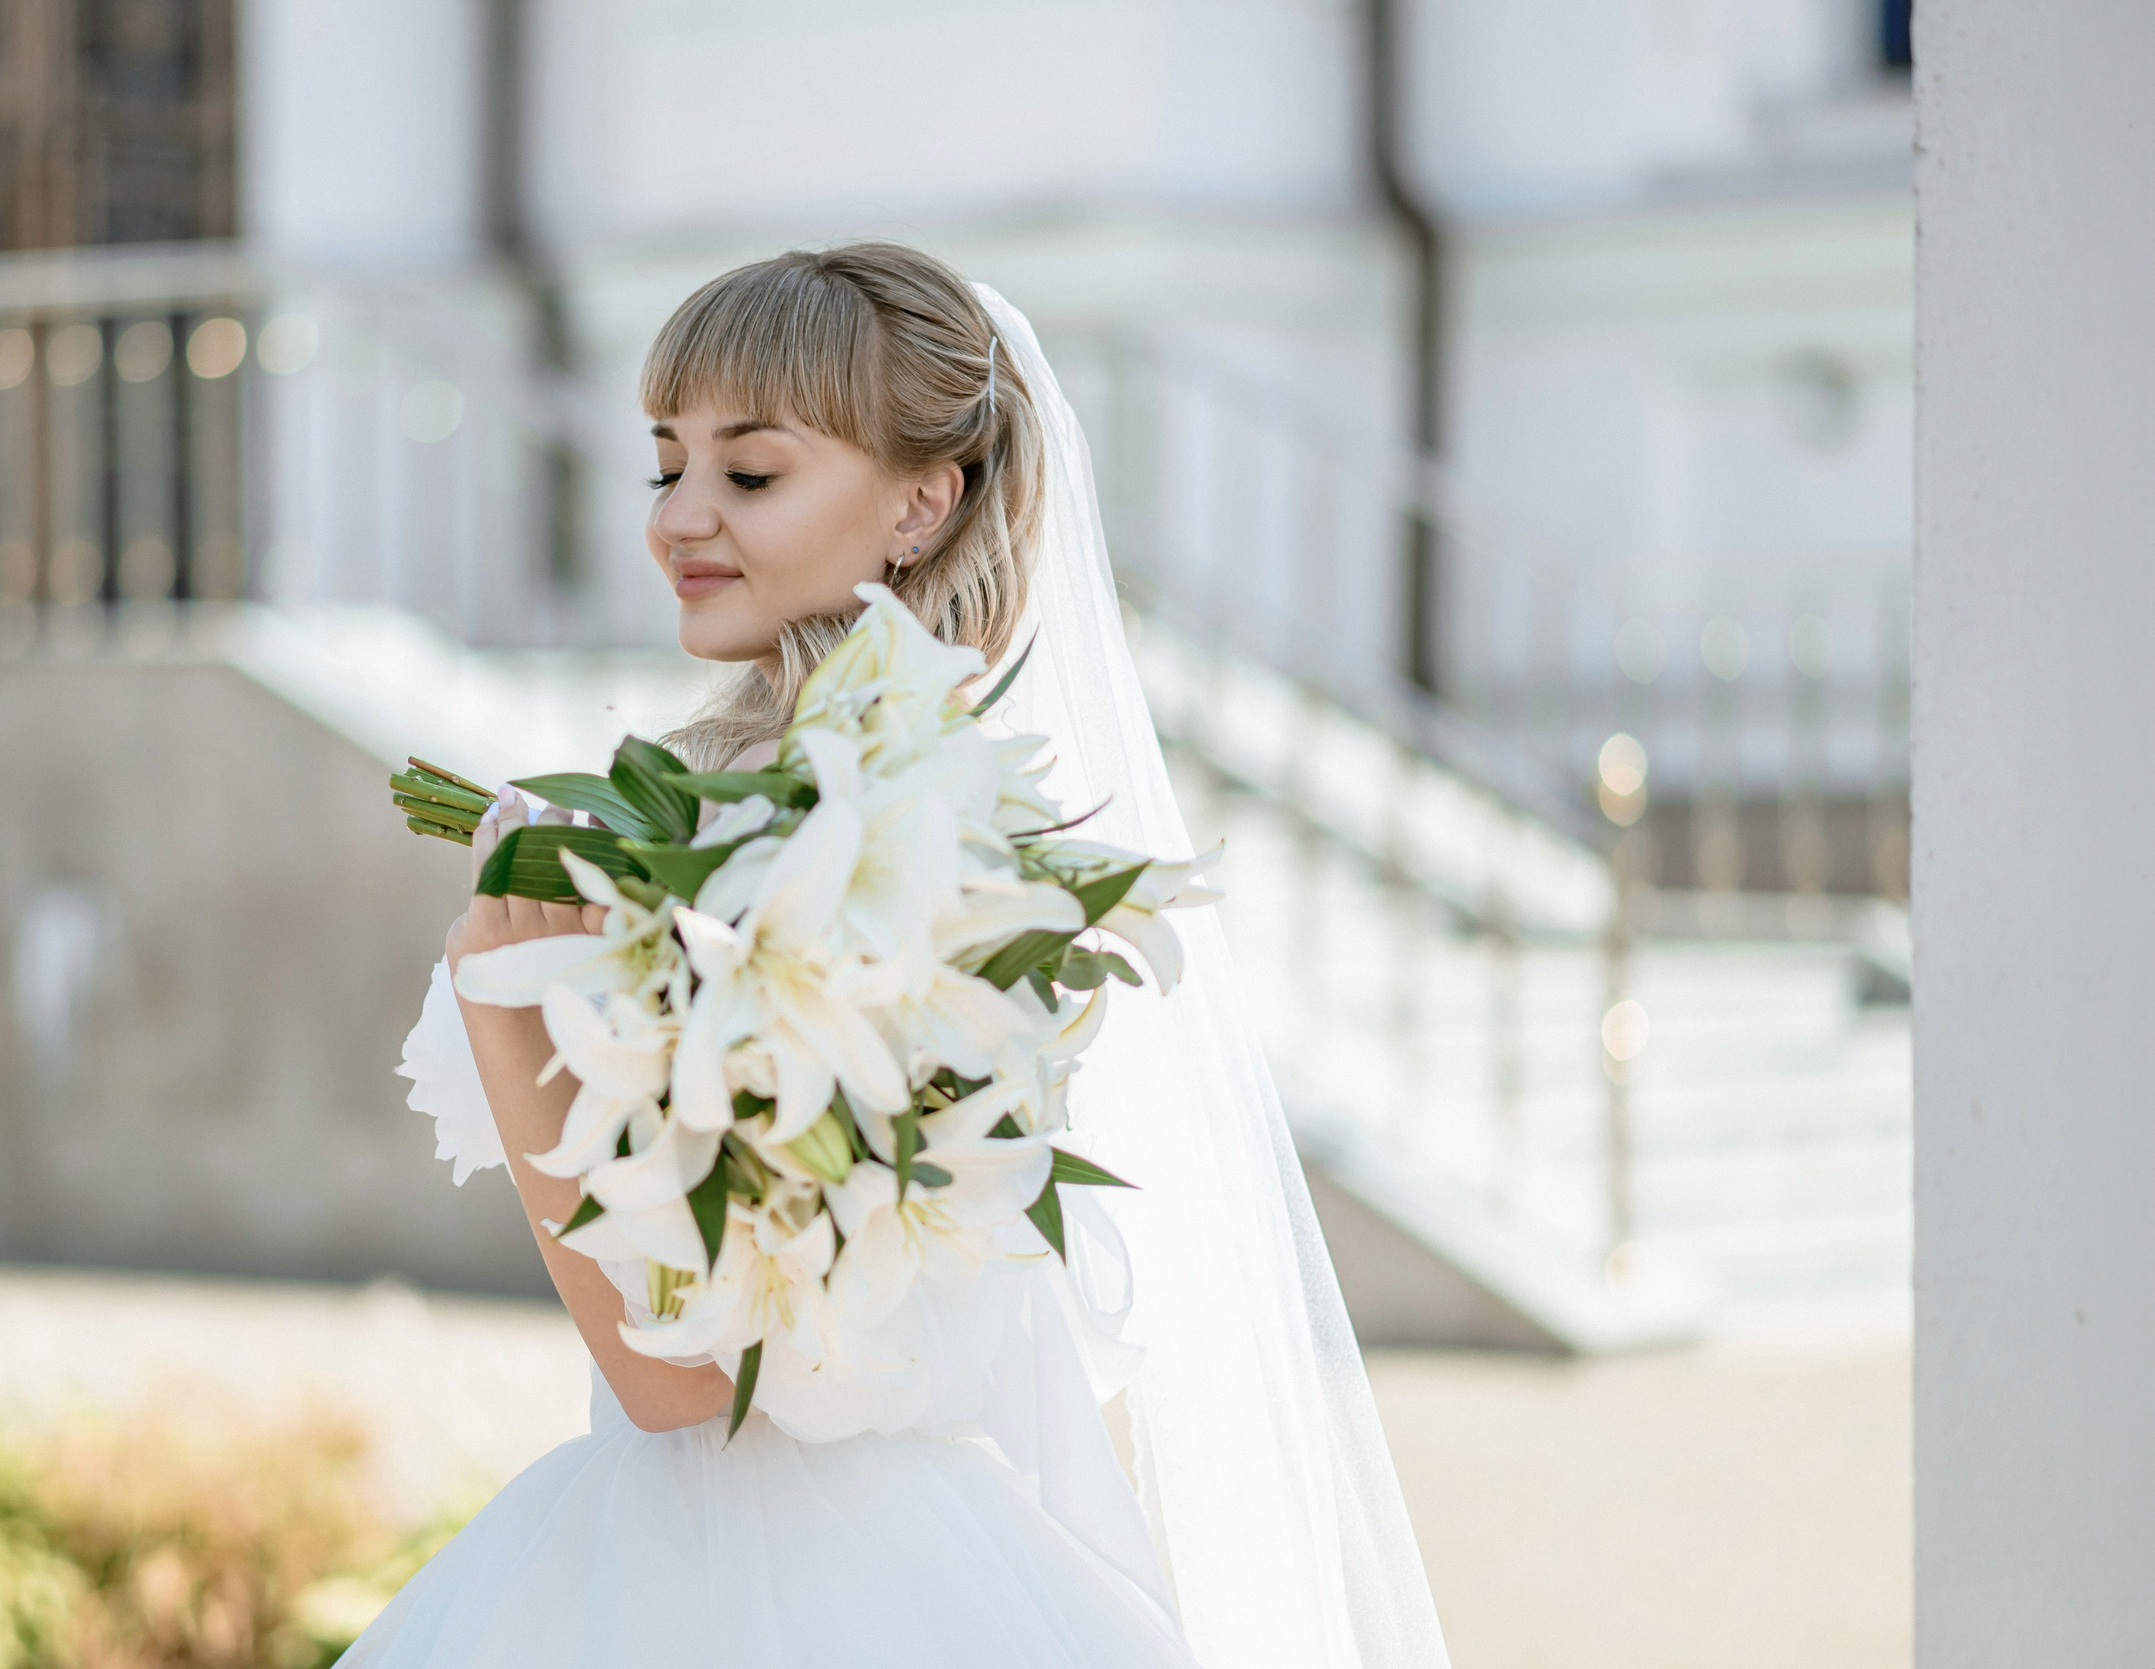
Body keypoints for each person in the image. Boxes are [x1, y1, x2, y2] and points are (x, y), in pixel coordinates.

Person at [368, 244, 1452, 1668]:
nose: (680, 518)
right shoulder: (712, 814)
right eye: (665, 466)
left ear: (922, 501)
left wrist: (503, 1011)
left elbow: (690, 1377)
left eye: (749, 475)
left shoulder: (931, 862)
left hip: (841, 1593)